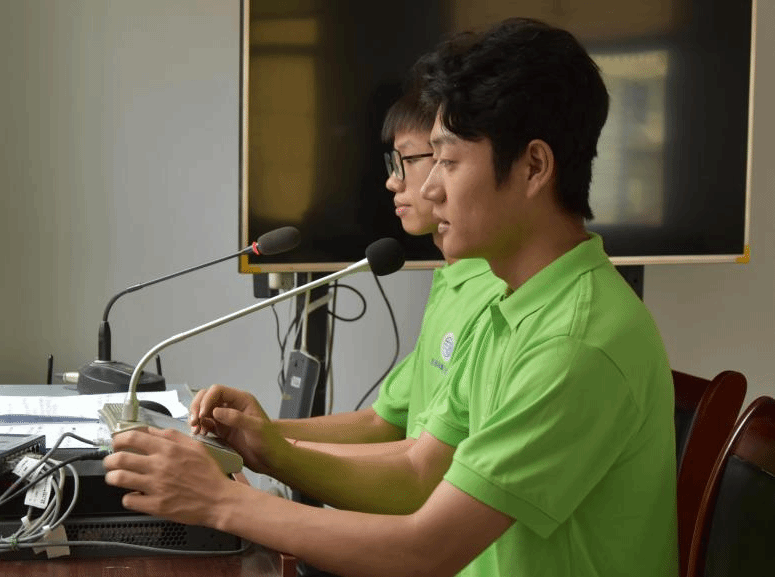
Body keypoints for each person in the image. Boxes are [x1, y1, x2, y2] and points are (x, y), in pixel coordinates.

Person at [104, 18, 678, 577]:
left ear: (533, 167)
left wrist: (219, 502)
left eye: (448, 161)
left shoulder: (574, 343)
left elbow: (426, 550)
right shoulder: (509, 307)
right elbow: (420, 470)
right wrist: (267, 448)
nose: (429, 187)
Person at [274, 91, 503, 457]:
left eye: (406, 160)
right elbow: (382, 421)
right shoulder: (451, 278)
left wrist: (271, 451)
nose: (393, 182)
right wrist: (255, 429)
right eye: (391, 163)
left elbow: (421, 467)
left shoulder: (495, 293)